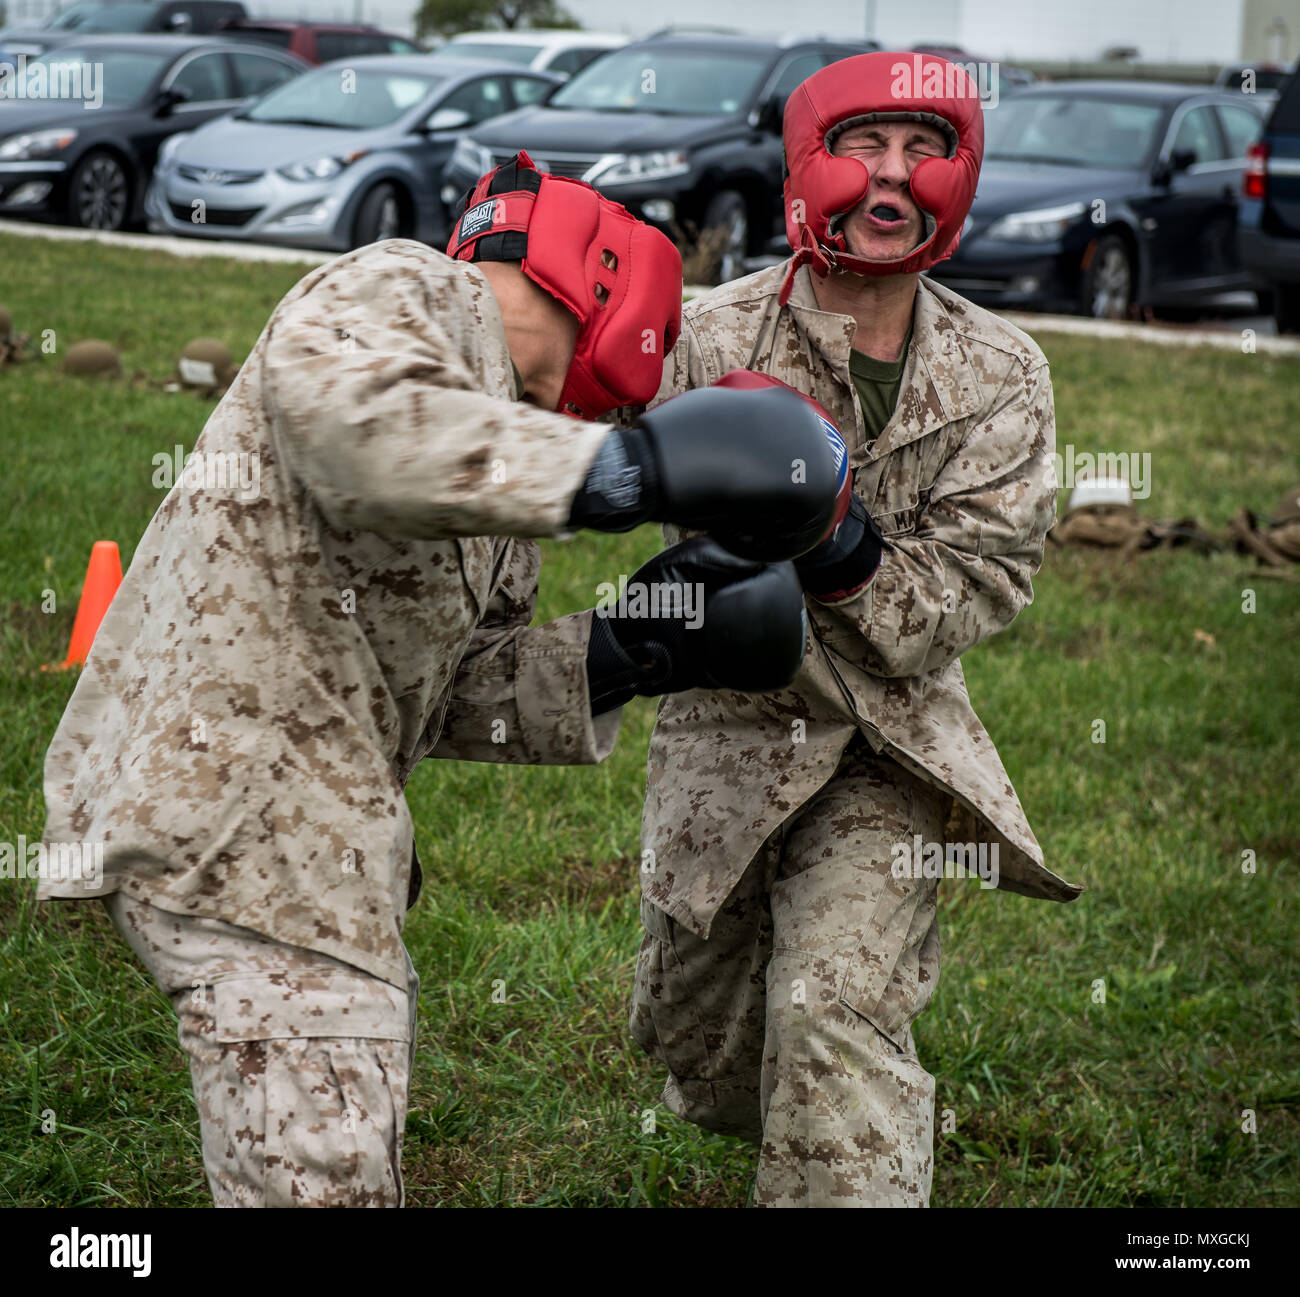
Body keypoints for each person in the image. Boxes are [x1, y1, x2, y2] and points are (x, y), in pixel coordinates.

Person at [38, 152, 848, 1207]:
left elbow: (456, 691)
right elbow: (355, 429)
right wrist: (621, 475)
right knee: (323, 1175)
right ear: (600, 285)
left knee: (342, 1151)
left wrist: (637, 643)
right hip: (236, 812)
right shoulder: (401, 288)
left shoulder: (497, 489)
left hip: (318, 849)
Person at [629, 52, 1084, 1208]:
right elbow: (570, 453)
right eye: (863, 148)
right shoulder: (698, 337)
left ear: (958, 177)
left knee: (830, 1013)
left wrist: (840, 545)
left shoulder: (998, 371)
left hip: (889, 742)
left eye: (922, 153)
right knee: (712, 1054)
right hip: (728, 730)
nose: (891, 181)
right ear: (806, 162)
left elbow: (978, 583)